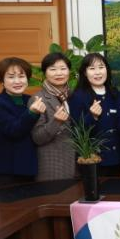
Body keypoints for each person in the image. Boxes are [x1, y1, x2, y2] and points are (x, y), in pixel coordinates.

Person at [0, 57, 45, 187]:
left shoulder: (30, 100)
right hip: (8, 169)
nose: (17, 81)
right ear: (2, 81)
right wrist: (31, 113)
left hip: (30, 166)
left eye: (21, 76)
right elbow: (14, 130)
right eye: (11, 77)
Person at [69, 53, 120, 177]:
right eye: (92, 68)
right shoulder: (78, 96)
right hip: (92, 161)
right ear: (85, 73)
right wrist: (92, 116)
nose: (98, 72)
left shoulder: (114, 93)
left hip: (116, 159)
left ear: (107, 70)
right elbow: (76, 131)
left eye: (101, 67)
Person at [30, 52, 76, 181]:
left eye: (63, 68)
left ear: (69, 71)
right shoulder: (38, 99)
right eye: (53, 69)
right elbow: (37, 138)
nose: (59, 73)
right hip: (53, 165)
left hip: (76, 163)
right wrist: (56, 121)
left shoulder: (74, 95)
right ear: (45, 73)